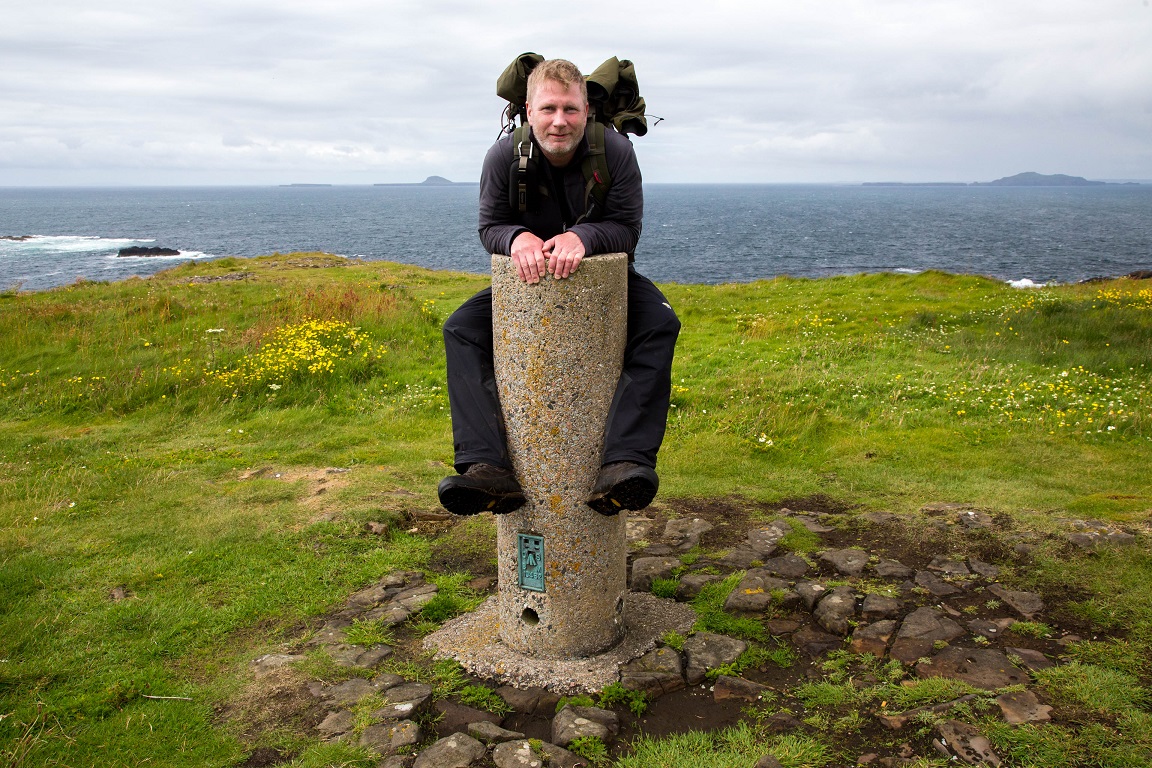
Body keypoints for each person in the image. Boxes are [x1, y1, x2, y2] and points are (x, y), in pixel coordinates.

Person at [438, 58, 679, 517]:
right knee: (461, 329)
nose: (559, 121)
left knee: (660, 322)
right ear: (529, 110)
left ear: (586, 110)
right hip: (526, 285)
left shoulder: (615, 152)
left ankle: (625, 464)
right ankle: (486, 469)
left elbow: (627, 230)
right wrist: (516, 238)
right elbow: (490, 226)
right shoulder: (503, 157)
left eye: (570, 109)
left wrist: (583, 237)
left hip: (607, 280)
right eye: (548, 109)